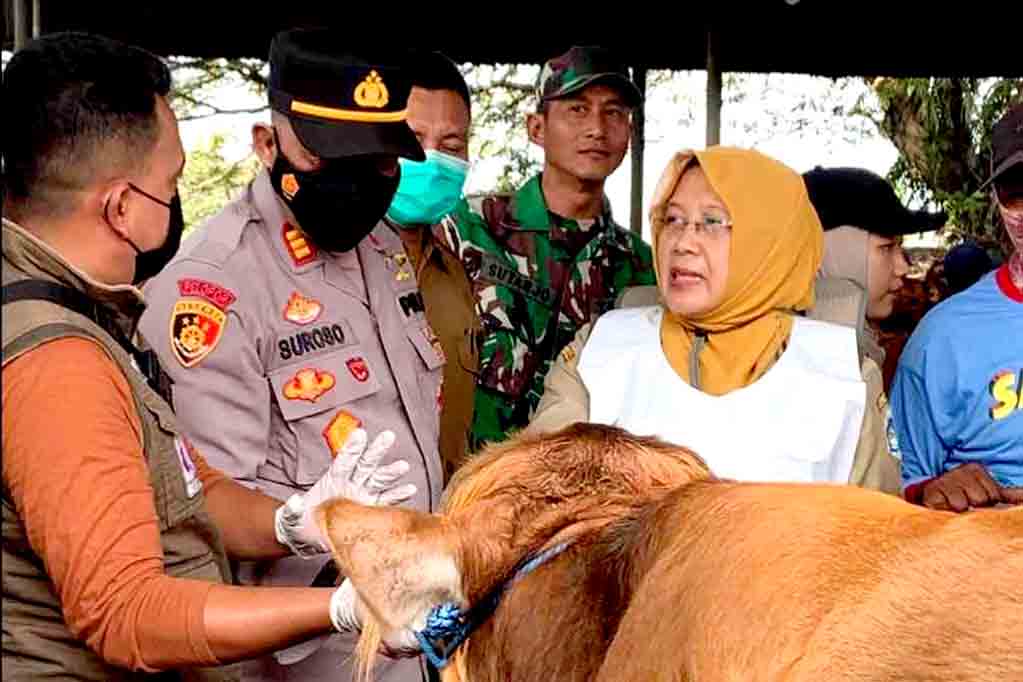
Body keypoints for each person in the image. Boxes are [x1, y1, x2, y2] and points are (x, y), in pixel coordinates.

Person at [2, 31, 413, 679]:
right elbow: (126, 613)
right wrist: (339, 608)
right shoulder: (57, 362)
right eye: (172, 181)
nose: (179, 198)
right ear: (120, 207)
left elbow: (181, 491)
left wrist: (292, 522)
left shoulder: (83, 309)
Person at [138, 29, 442, 681]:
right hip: (309, 652)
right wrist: (297, 529)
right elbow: (202, 517)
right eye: (333, 158)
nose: (360, 183)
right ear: (266, 143)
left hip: (419, 632)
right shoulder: (213, 289)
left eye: (380, 160)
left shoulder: (383, 250)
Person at [528, 146, 889, 486]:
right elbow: (537, 493)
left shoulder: (844, 373)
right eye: (672, 219)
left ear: (769, 241)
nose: (683, 242)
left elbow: (879, 534)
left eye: (712, 222)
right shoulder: (600, 347)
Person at [438, 45, 655, 452]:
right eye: (577, 109)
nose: (597, 128)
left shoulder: (644, 269)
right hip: (465, 485)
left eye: (614, 112)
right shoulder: (468, 231)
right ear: (537, 128)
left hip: (579, 497)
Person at [891, 103, 1023, 512]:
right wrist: (937, 491)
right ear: (996, 203)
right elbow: (899, 488)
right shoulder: (941, 338)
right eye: (1016, 191)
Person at [801, 166, 947, 492]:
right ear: (832, 251)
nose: (903, 267)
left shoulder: (859, 352)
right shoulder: (832, 367)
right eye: (886, 248)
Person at [384, 51, 480, 483]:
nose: (429, 158)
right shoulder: (335, 263)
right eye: (412, 139)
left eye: (451, 146)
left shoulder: (455, 271)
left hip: (444, 524)